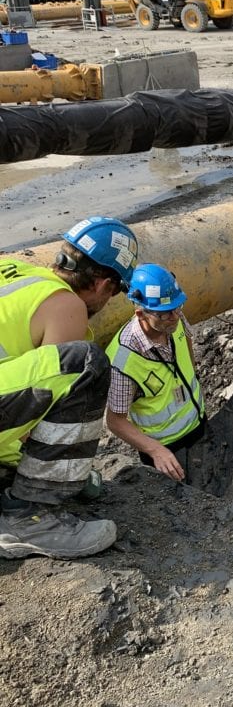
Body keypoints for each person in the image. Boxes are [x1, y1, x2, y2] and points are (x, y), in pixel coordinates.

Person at [0, 217, 139, 560]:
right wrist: (62, 473)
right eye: (117, 291)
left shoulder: (11, 268)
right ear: (105, 284)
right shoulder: (67, 305)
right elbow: (40, 418)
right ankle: (28, 517)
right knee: (83, 365)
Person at [106, 264, 206, 482]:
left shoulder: (172, 317)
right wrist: (155, 451)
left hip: (197, 420)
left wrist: (193, 374)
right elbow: (115, 421)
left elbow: (186, 341)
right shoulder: (124, 363)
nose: (175, 317)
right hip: (165, 446)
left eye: (178, 308)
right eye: (165, 314)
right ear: (140, 313)